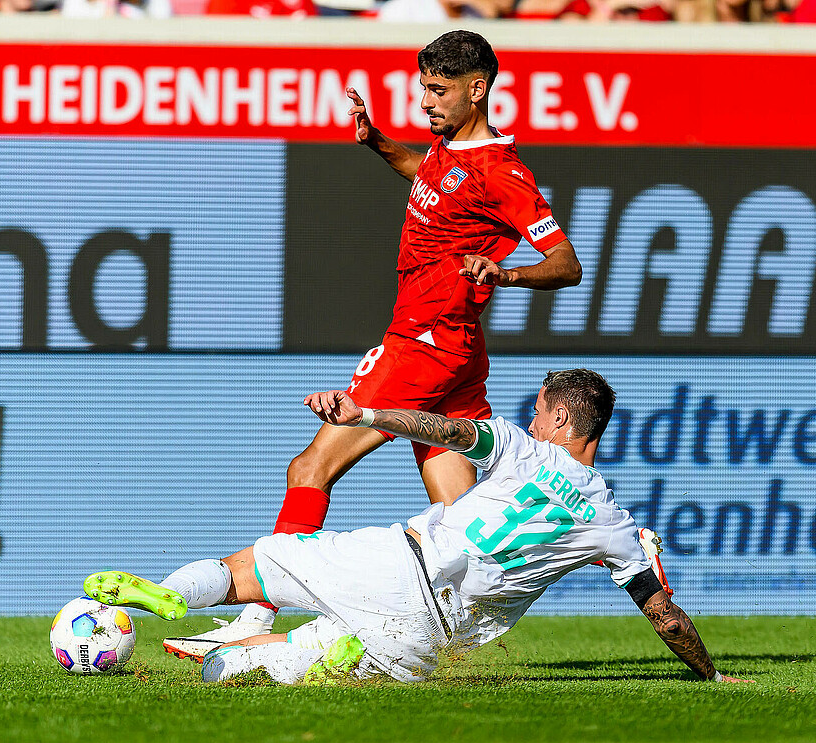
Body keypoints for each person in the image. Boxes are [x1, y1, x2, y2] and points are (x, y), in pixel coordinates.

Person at [160, 30, 596, 660]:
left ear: (478, 90)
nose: (427, 100)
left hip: (423, 344)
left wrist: (505, 273)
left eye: (439, 90)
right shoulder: (448, 148)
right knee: (460, 513)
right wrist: (377, 143)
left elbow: (567, 264)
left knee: (309, 470)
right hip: (456, 351)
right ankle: (453, 632)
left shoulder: (502, 172)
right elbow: (425, 172)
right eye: (422, 87)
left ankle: (256, 614)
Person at [87, 369, 746, 686]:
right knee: (248, 675)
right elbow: (667, 620)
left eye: (541, 412)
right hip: (432, 634)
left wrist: (365, 412)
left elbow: (442, 429)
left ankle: (173, 594)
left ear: (562, 424)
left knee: (249, 568)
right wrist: (711, 675)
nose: (534, 418)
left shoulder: (521, 447)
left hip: (397, 560)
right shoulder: (613, 525)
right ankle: (316, 654)